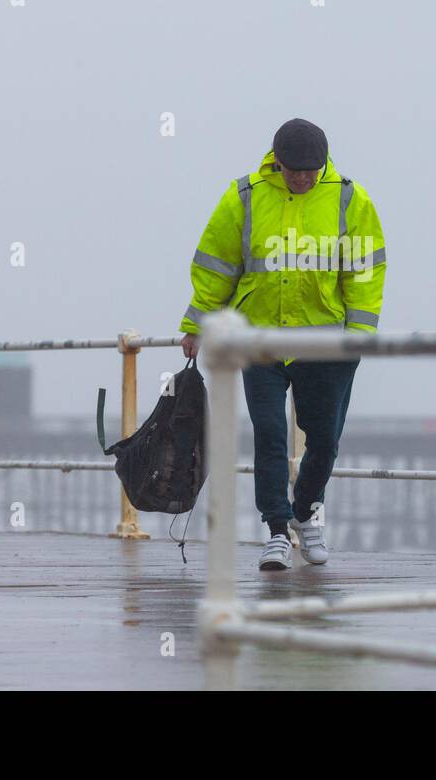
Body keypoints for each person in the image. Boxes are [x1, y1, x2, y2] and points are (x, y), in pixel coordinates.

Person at [179, 118, 386, 570]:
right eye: (295, 171)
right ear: (277, 161)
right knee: (270, 435)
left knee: (325, 440)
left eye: (311, 171)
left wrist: (361, 335)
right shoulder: (245, 196)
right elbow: (217, 264)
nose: (304, 178)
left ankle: (306, 514)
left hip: (326, 342)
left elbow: (365, 272)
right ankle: (276, 530)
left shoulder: (350, 198)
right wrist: (195, 322)